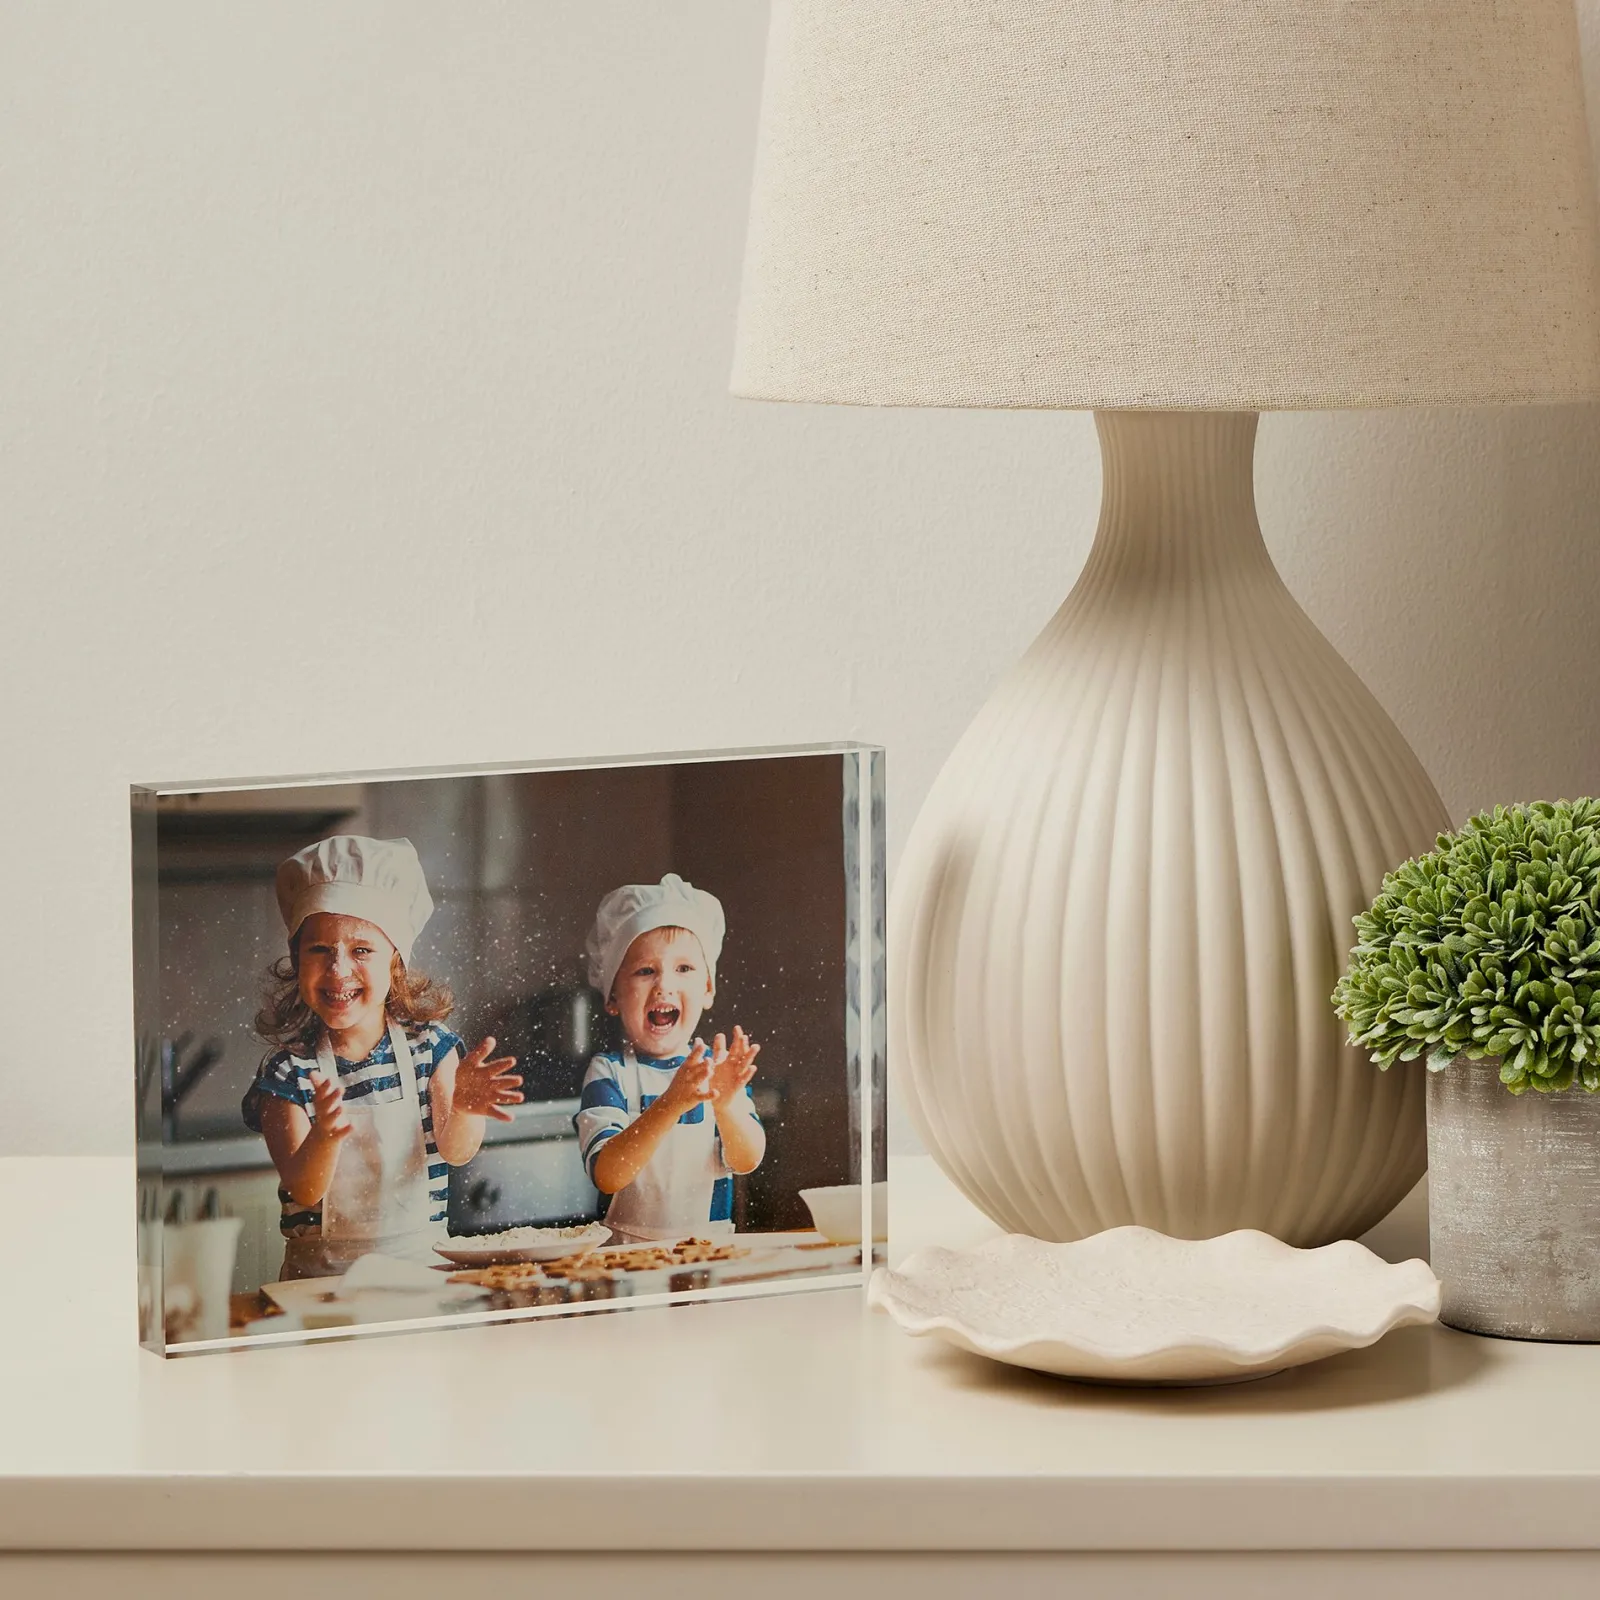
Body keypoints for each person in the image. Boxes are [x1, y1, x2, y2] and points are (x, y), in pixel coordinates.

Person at [242, 835, 522, 1278]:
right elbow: (304, 1189)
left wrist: (466, 1109)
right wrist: (326, 1136)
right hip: (320, 1285)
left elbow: (456, 1152)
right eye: (319, 950)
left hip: (421, 1273)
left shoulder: (431, 1048)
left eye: (361, 950)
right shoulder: (288, 1072)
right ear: (296, 960)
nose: (338, 969)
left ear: (395, 963)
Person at [576, 873, 766, 1241]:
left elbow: (747, 1161)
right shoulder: (609, 1072)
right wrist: (670, 1104)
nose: (664, 985)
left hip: (709, 1251)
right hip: (625, 1258)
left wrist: (726, 1106)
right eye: (645, 971)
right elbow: (607, 1174)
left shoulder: (719, 1071)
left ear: (707, 989)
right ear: (613, 996)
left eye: (684, 969)